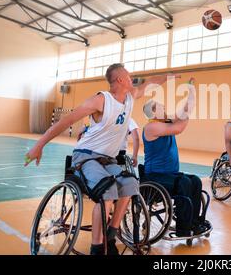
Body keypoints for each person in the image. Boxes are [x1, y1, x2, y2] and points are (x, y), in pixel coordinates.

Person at [24, 63, 175, 255]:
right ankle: (97, 247)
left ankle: (110, 237)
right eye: (128, 76)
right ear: (119, 79)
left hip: (107, 159)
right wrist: (39, 145)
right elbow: (67, 121)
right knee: (108, 191)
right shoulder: (101, 100)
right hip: (86, 156)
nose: (131, 78)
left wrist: (168, 75)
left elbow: (149, 83)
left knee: (130, 184)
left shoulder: (130, 98)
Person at [141, 78, 208, 237]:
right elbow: (179, 128)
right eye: (160, 107)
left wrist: (191, 92)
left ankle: (194, 222)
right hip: (155, 176)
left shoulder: (165, 121)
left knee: (195, 180)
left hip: (169, 174)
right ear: (153, 112)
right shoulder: (151, 127)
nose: (164, 108)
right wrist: (184, 114)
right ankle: (183, 229)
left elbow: (185, 110)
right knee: (183, 182)